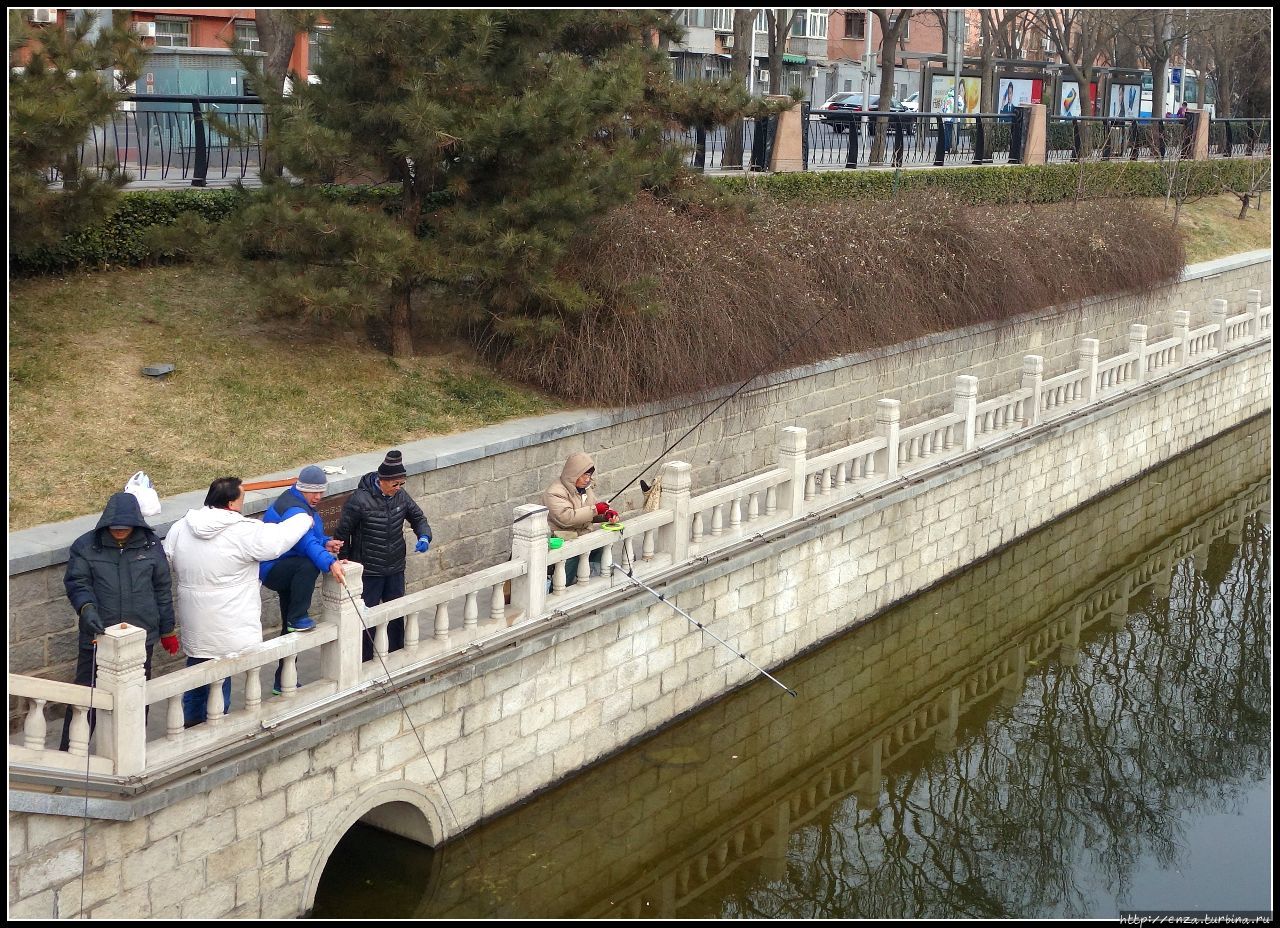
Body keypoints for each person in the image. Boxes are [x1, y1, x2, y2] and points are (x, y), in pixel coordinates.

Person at [164, 477, 314, 726]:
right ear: (232, 503)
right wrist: (304, 517)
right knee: (220, 681)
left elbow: (168, 556)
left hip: (196, 624)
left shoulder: (180, 527)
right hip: (230, 625)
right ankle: (213, 732)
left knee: (197, 674)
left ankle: (190, 725)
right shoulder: (241, 530)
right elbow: (277, 540)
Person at [61, 492, 176, 750]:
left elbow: (162, 588)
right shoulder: (85, 546)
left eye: (124, 528)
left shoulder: (151, 545)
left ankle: (132, 749)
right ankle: (70, 752)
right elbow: (78, 583)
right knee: (85, 695)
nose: (119, 532)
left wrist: (167, 628)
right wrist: (86, 608)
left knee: (136, 696)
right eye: (115, 528)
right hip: (97, 634)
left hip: (140, 636)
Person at [333, 450, 433, 662]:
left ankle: (397, 655)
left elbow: (418, 517)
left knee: (396, 612)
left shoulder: (401, 496)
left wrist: (424, 536)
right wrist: (345, 562)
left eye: (401, 484)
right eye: (395, 484)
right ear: (382, 480)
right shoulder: (359, 500)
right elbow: (342, 534)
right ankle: (364, 658)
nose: (398, 488)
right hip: (369, 570)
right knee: (367, 616)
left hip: (395, 566)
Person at [260, 465, 347, 695]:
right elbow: (305, 544)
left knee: (290, 634)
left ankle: (284, 681)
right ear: (302, 488)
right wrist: (330, 562)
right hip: (275, 568)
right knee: (309, 565)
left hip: (289, 567)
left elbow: (311, 536)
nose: (318, 497)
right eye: (313, 492)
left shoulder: (301, 503)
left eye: (321, 491)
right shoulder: (293, 510)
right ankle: (298, 617)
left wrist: (326, 542)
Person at [543, 452, 617, 586]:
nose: (588, 479)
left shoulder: (585, 489)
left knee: (600, 551)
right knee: (567, 571)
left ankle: (596, 583)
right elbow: (566, 518)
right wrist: (595, 509)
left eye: (589, 475)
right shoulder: (554, 492)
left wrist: (605, 515)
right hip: (564, 540)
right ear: (574, 473)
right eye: (585, 475)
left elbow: (589, 514)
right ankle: (561, 589)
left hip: (584, 537)